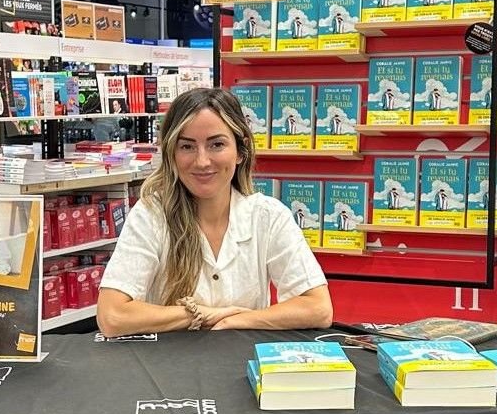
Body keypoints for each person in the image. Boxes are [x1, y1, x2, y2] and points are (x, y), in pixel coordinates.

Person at [97, 87, 333, 336]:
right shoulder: (152, 215)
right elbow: (112, 316)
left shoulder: (268, 216)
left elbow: (318, 308)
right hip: (167, 369)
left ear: (241, 152)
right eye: (187, 147)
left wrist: (237, 320)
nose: (202, 161)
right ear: (171, 154)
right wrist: (198, 314)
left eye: (217, 144)